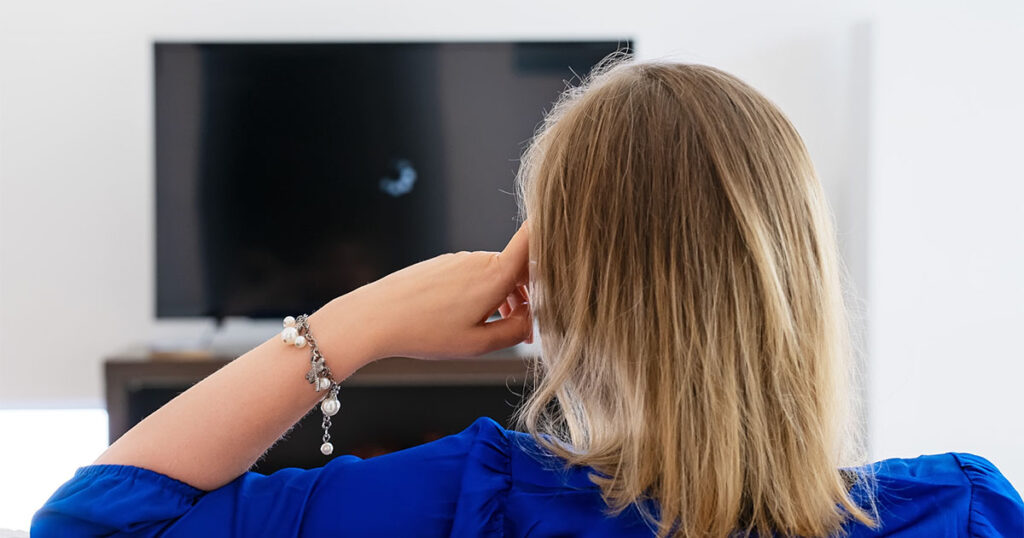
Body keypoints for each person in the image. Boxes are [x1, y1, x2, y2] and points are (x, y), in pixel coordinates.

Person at [32, 57, 1022, 537]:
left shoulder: (470, 500)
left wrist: (360, 318)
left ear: (551, 282)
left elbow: (91, 523)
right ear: (800, 269)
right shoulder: (970, 510)